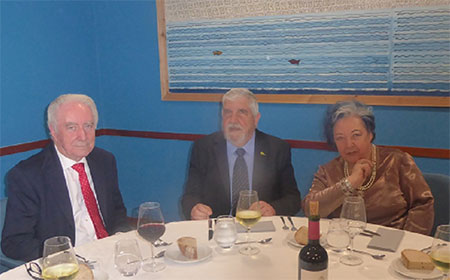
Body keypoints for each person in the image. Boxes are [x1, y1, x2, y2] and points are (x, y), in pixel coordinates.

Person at [1, 94, 130, 262]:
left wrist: (120, 239)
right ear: (53, 131)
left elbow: (117, 211)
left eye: (88, 126)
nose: (83, 136)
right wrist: (63, 257)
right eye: (71, 127)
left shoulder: (105, 161)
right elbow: (15, 242)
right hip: (66, 265)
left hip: (108, 254)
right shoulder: (26, 176)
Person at [302, 100, 434, 235]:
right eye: (340, 138)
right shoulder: (327, 170)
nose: (349, 144)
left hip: (391, 243)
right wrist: (350, 182)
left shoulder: (397, 161)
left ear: (370, 134)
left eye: (356, 135)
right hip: (344, 242)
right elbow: (310, 209)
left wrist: (407, 242)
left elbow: (423, 204)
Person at [181, 88, 301, 220]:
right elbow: (189, 196)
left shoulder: (277, 149)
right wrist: (194, 209)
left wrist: (273, 208)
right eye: (228, 113)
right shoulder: (204, 147)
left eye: (242, 112)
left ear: (256, 119)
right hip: (219, 228)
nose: (233, 120)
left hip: (260, 227)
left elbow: (293, 199)